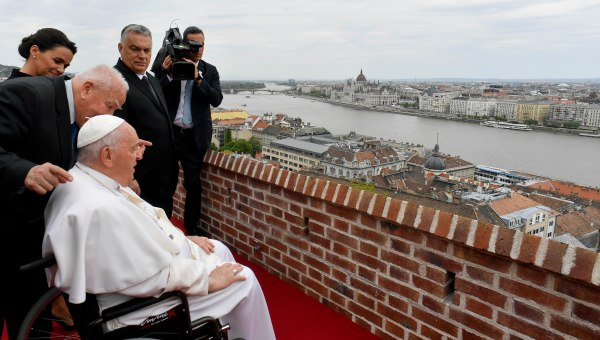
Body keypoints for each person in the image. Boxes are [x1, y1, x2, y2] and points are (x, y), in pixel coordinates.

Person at [42, 115, 276, 340]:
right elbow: (150, 276)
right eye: (133, 149)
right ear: (107, 156)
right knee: (244, 278)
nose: (139, 157)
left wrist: (185, 242)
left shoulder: (83, 178)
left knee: (216, 249)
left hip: (134, 286)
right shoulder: (100, 208)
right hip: (135, 308)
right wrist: (208, 280)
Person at [0, 64, 128, 339]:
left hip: (38, 235)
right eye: (110, 106)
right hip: (8, 229)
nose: (110, 115)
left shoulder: (78, 115)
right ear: (87, 88)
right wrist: (24, 171)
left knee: (33, 318)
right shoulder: (25, 94)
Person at [160, 26, 223, 236]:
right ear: (184, 45)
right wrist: (168, 74)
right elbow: (155, 92)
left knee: (193, 185)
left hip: (194, 136)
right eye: (193, 45)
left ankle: (191, 228)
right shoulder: (169, 64)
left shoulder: (210, 70)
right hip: (171, 134)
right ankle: (163, 225)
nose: (198, 49)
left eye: (201, 44)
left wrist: (198, 78)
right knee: (166, 182)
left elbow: (216, 99)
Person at [114, 24, 178, 216]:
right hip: (140, 178)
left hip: (163, 175)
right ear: (120, 48)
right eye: (135, 49)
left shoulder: (151, 78)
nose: (142, 55)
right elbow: (115, 134)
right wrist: (129, 177)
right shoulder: (115, 82)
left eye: (146, 50)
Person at [8, 27, 77, 79]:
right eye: (57, 61)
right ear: (34, 51)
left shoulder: (61, 87)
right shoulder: (7, 91)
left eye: (65, 66)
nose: (61, 70)